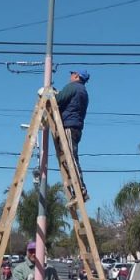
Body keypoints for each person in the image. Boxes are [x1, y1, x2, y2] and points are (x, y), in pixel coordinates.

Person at [56, 69, 90, 202]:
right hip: (76, 127)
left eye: (72, 74)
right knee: (69, 157)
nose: (70, 76)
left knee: (71, 158)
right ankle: (76, 189)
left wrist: (50, 94)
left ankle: (80, 189)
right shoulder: (83, 91)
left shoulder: (72, 87)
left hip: (69, 126)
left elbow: (58, 99)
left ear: (76, 76)